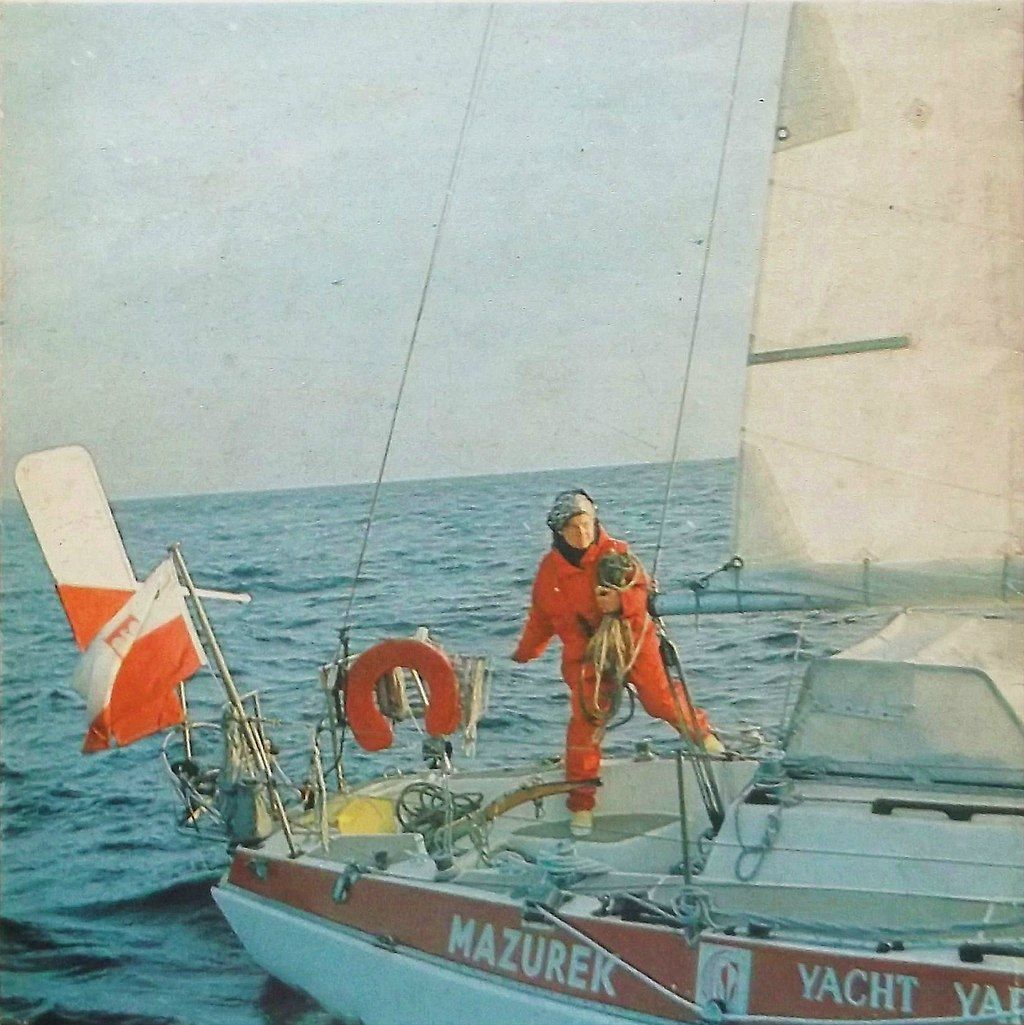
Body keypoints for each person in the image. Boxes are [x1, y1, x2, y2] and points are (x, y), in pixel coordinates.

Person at [512, 489, 721, 836]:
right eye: (573, 528)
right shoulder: (550, 573)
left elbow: (643, 592)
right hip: (586, 654)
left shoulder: (617, 554)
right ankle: (581, 805)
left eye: (586, 525)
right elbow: (541, 618)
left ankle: (703, 736)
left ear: (595, 522)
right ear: (558, 532)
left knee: (660, 700)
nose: (581, 534)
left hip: (632, 642)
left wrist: (620, 602)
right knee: (587, 722)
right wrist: (525, 651)